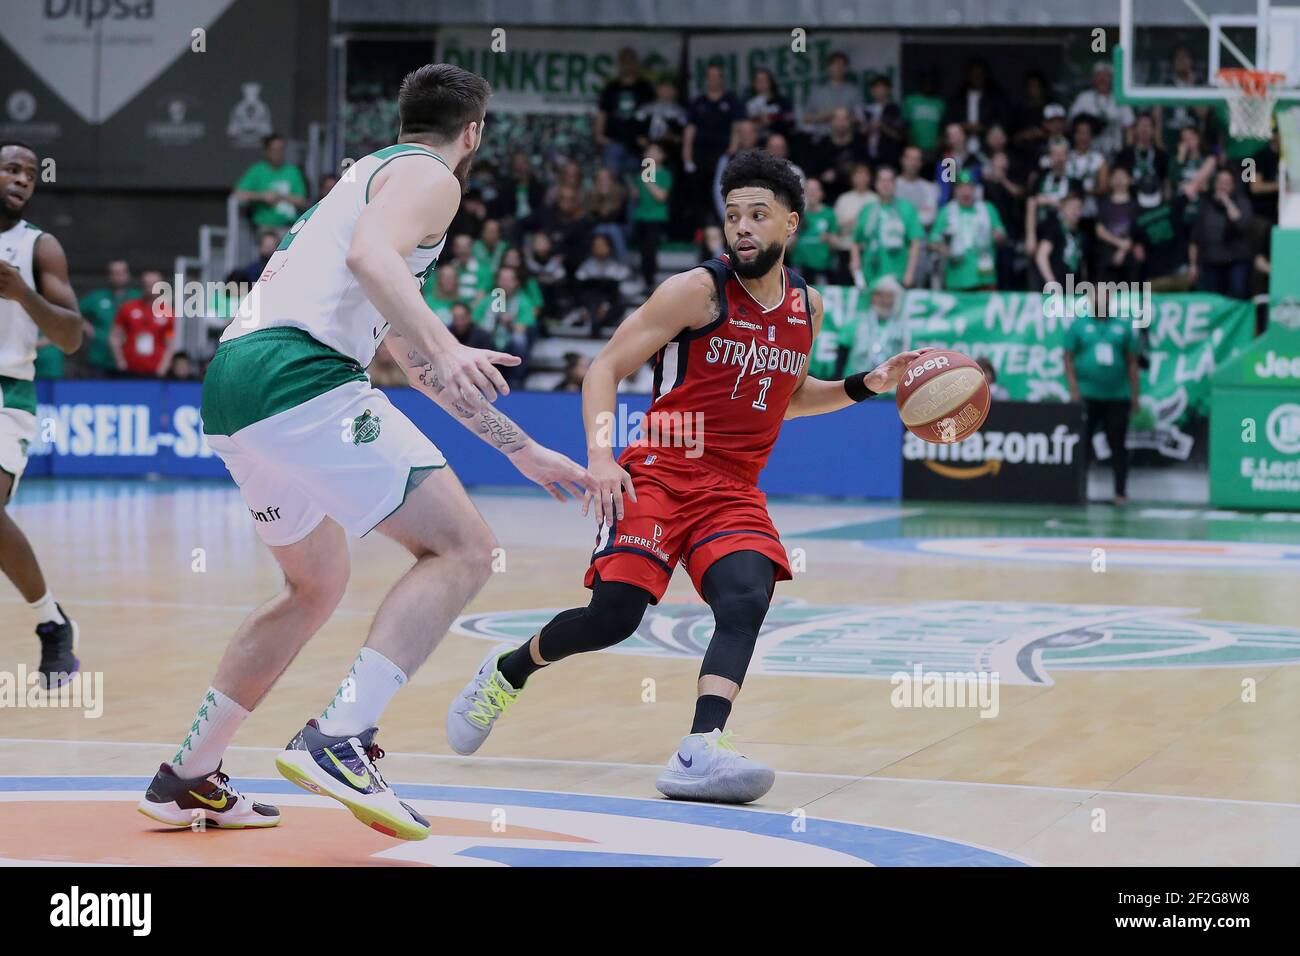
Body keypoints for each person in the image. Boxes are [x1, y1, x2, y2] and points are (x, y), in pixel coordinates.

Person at [137, 64, 593, 838]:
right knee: (465, 551)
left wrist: (523, 452)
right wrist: (450, 342)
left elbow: (413, 360)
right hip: (299, 375)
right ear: (472, 132)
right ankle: (342, 739)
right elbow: (373, 267)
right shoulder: (429, 176)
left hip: (236, 382)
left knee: (314, 586)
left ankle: (187, 774)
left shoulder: (365, 178)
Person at [444, 149, 929, 804]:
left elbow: (784, 395)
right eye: (733, 216)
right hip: (659, 472)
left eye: (759, 215)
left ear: (792, 225)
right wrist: (599, 456)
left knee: (745, 598)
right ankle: (507, 671)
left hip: (732, 489)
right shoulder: (695, 291)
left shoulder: (807, 308)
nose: (743, 228)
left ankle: (701, 746)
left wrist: (864, 385)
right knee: (613, 617)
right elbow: (604, 368)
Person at [0, 140, 83, 689]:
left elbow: (72, 336)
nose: (22, 179)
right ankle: (53, 621)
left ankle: (52, 625)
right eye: (12, 168)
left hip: (8, 392)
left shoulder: (38, 248)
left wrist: (24, 295)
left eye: (30, 173)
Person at [1063, 301, 1140, 504]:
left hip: (1117, 396)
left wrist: (1135, 395)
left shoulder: (1123, 326)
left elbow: (1132, 362)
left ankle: (1120, 492)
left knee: (1118, 444)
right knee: (1083, 444)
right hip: (1087, 395)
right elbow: (1068, 358)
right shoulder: (1079, 325)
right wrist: (1074, 389)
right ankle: (1079, 491)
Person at [930, 172, 1006, 291]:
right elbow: (933, 240)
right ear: (955, 191)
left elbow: (1001, 233)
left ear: (975, 190)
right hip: (956, 278)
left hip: (985, 277)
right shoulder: (946, 212)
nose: (966, 192)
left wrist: (997, 236)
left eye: (969, 187)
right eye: (961, 188)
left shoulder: (987, 209)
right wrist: (945, 250)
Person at [850, 165, 923, 289]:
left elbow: (915, 242)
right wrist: (855, 261)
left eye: (889, 180)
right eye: (882, 180)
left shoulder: (907, 208)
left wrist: (909, 273)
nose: (886, 184)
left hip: (897, 275)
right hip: (870, 276)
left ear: (895, 184)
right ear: (876, 184)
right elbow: (855, 241)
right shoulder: (868, 210)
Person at [1189, 168, 1254, 298]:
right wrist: (1193, 265)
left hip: (1236, 260)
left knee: (1238, 293)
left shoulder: (1241, 202)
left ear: (1233, 186)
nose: (1223, 186)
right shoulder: (1205, 204)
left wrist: (1227, 202)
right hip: (1211, 261)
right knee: (1213, 297)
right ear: (1215, 183)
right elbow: (1194, 238)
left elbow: (1240, 222)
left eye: (1227, 183)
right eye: (1220, 182)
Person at [595, 48, 654, 177]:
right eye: (625, 61)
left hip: (638, 145)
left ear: (636, 63)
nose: (628, 65)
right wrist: (599, 135)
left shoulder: (645, 88)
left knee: (642, 180)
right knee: (611, 179)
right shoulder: (611, 88)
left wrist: (648, 139)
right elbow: (602, 112)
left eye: (631, 61)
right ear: (620, 63)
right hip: (614, 142)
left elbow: (653, 114)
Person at [232, 133, 308, 230]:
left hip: (291, 227)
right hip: (265, 227)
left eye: (281, 149)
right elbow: (238, 193)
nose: (278, 153)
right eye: (274, 150)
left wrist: (280, 196)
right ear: (266, 151)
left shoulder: (293, 171)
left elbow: (303, 201)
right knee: (269, 242)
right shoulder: (257, 170)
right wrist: (262, 196)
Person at [78, 259, 139, 377]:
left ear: (128, 275)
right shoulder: (96, 297)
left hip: (130, 359)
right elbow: (72, 311)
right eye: (115, 273)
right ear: (109, 276)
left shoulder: (137, 298)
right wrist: (85, 326)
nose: (119, 276)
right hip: (100, 357)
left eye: (122, 272)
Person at [111, 268, 176, 377]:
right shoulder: (127, 308)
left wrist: (163, 367)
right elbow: (115, 336)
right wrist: (120, 361)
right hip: (130, 368)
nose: (150, 288)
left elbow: (170, 343)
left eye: (154, 284)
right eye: (147, 284)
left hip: (156, 370)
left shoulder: (168, 313)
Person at [632, 141, 673, 289]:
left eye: (654, 151)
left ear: (662, 156)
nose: (650, 154)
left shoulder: (665, 174)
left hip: (656, 217)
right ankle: (645, 279)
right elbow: (636, 197)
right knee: (642, 250)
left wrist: (647, 180)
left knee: (650, 249)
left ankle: (650, 280)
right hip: (640, 216)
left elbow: (661, 196)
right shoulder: (640, 175)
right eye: (648, 152)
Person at [789, 177, 839, 285]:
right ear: (804, 193)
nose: (812, 193)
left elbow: (836, 242)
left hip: (821, 266)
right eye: (809, 190)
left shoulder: (829, 214)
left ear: (821, 193)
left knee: (819, 298)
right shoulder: (797, 214)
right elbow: (789, 243)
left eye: (815, 190)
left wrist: (829, 238)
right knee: (798, 298)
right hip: (799, 266)